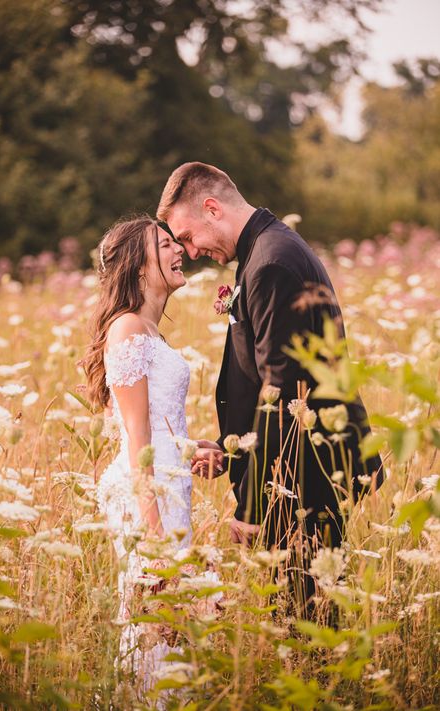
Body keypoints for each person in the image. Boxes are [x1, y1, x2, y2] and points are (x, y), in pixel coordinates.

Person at [156, 162, 384, 561]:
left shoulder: (271, 263)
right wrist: (234, 450)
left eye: (189, 237)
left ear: (212, 208)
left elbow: (282, 391)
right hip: (294, 468)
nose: (191, 252)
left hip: (302, 478)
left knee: (305, 614)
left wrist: (253, 507)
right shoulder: (263, 251)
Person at [82, 216, 193, 691]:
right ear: (138, 266)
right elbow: (137, 441)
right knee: (153, 619)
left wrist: (195, 449)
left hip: (169, 482)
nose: (179, 251)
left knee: (171, 628)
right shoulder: (127, 329)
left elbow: (162, 424)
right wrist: (155, 543)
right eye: (164, 245)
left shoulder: (150, 330)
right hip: (148, 492)